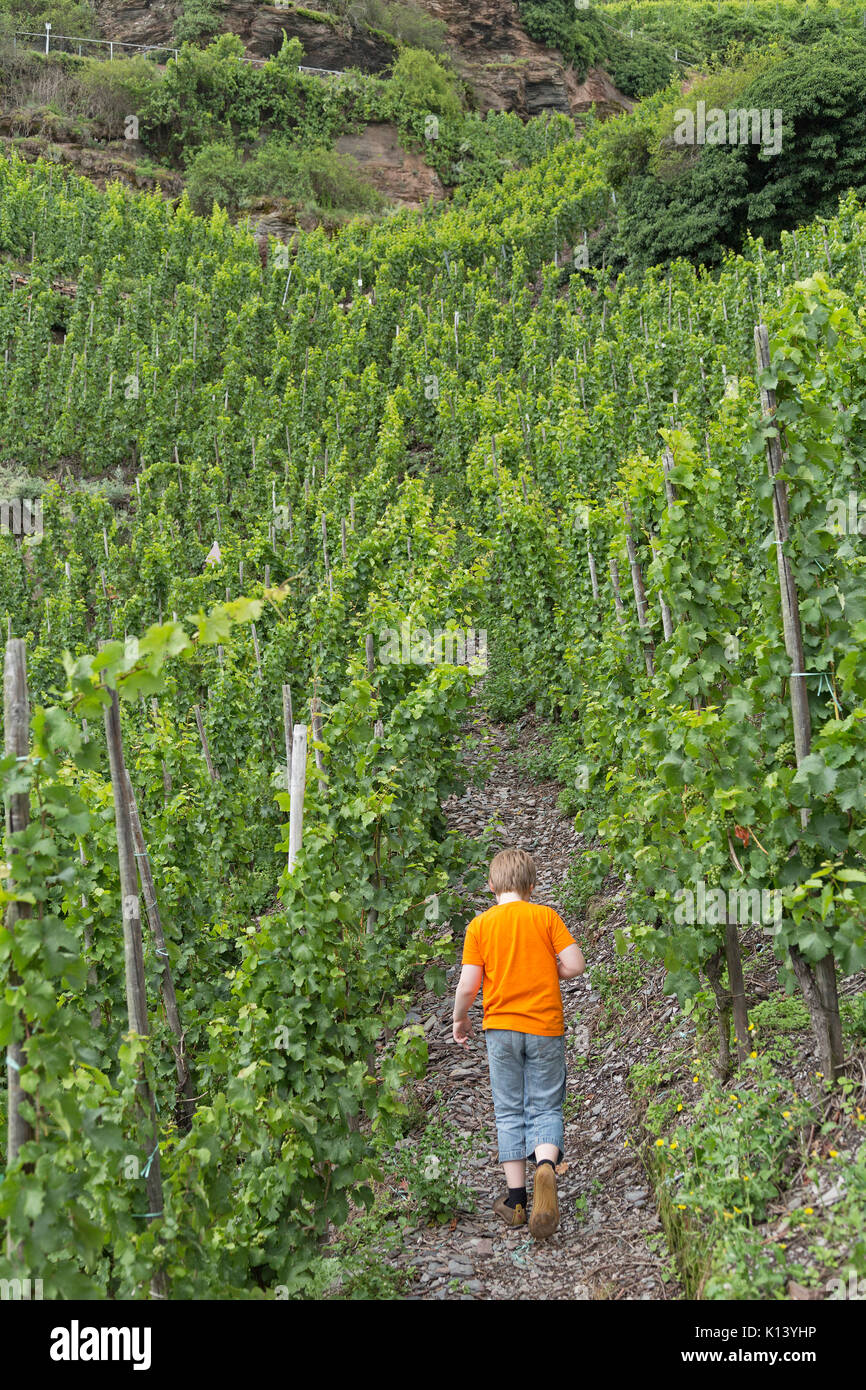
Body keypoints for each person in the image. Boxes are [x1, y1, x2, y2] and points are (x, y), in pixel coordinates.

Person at [451, 847, 585, 1239]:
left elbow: (467, 985)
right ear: (531, 885)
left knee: (509, 1110)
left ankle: (516, 1202)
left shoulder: (480, 926)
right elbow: (575, 965)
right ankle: (546, 1165)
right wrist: (549, 971)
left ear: (491, 885)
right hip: (545, 1027)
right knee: (545, 1103)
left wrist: (460, 1018)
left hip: (501, 1029)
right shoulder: (545, 917)